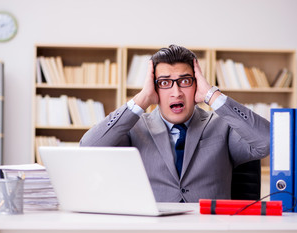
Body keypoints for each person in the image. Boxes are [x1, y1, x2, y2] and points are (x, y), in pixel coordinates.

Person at [80, 45, 270, 202]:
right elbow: (88, 148)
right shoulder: (134, 128)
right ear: (154, 88)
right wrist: (142, 99)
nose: (176, 92)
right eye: (164, 83)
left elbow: (269, 142)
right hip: (153, 230)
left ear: (197, 84)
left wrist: (212, 95)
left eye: (185, 81)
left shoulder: (223, 126)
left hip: (210, 229)